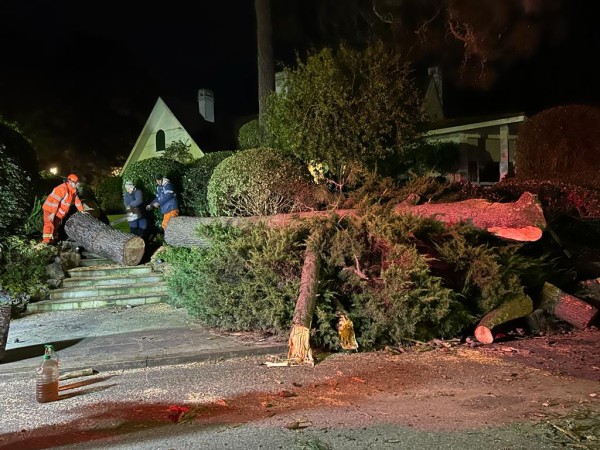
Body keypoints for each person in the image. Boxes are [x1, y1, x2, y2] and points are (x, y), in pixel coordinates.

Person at [42, 173, 87, 244]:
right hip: (50, 209)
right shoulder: (62, 189)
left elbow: (76, 200)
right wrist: (53, 213)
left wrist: (81, 210)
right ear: (70, 182)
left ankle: (53, 240)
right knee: (49, 224)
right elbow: (55, 201)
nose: (77, 185)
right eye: (76, 183)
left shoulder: (72, 191)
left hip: (57, 212)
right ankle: (46, 241)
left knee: (56, 225)